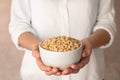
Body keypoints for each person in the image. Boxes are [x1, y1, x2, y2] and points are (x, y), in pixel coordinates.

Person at [9, 0, 116, 80]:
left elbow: (107, 23)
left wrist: (88, 44)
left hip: (88, 75)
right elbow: (18, 25)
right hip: (37, 75)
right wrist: (39, 48)